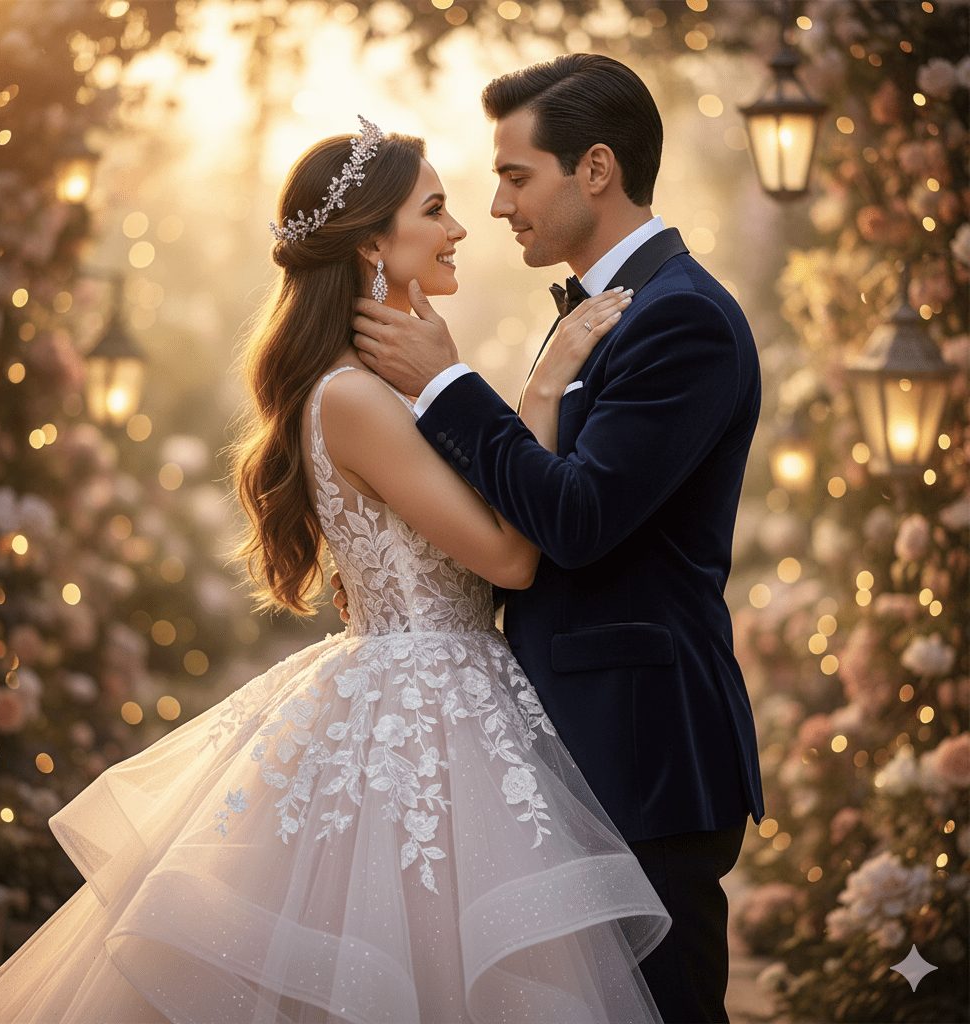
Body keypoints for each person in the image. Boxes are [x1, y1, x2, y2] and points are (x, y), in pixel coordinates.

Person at [0, 117, 671, 1024]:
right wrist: (543, 384)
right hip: (426, 712)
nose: (459, 229)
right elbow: (513, 557)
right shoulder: (357, 396)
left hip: (440, 687)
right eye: (436, 209)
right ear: (373, 241)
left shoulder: (378, 385)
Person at [346, 55, 766, 1024]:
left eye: (515, 174)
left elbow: (576, 520)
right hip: (567, 746)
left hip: (641, 751)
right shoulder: (602, 313)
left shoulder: (683, 319)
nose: (496, 206)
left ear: (596, 169)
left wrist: (449, 389)